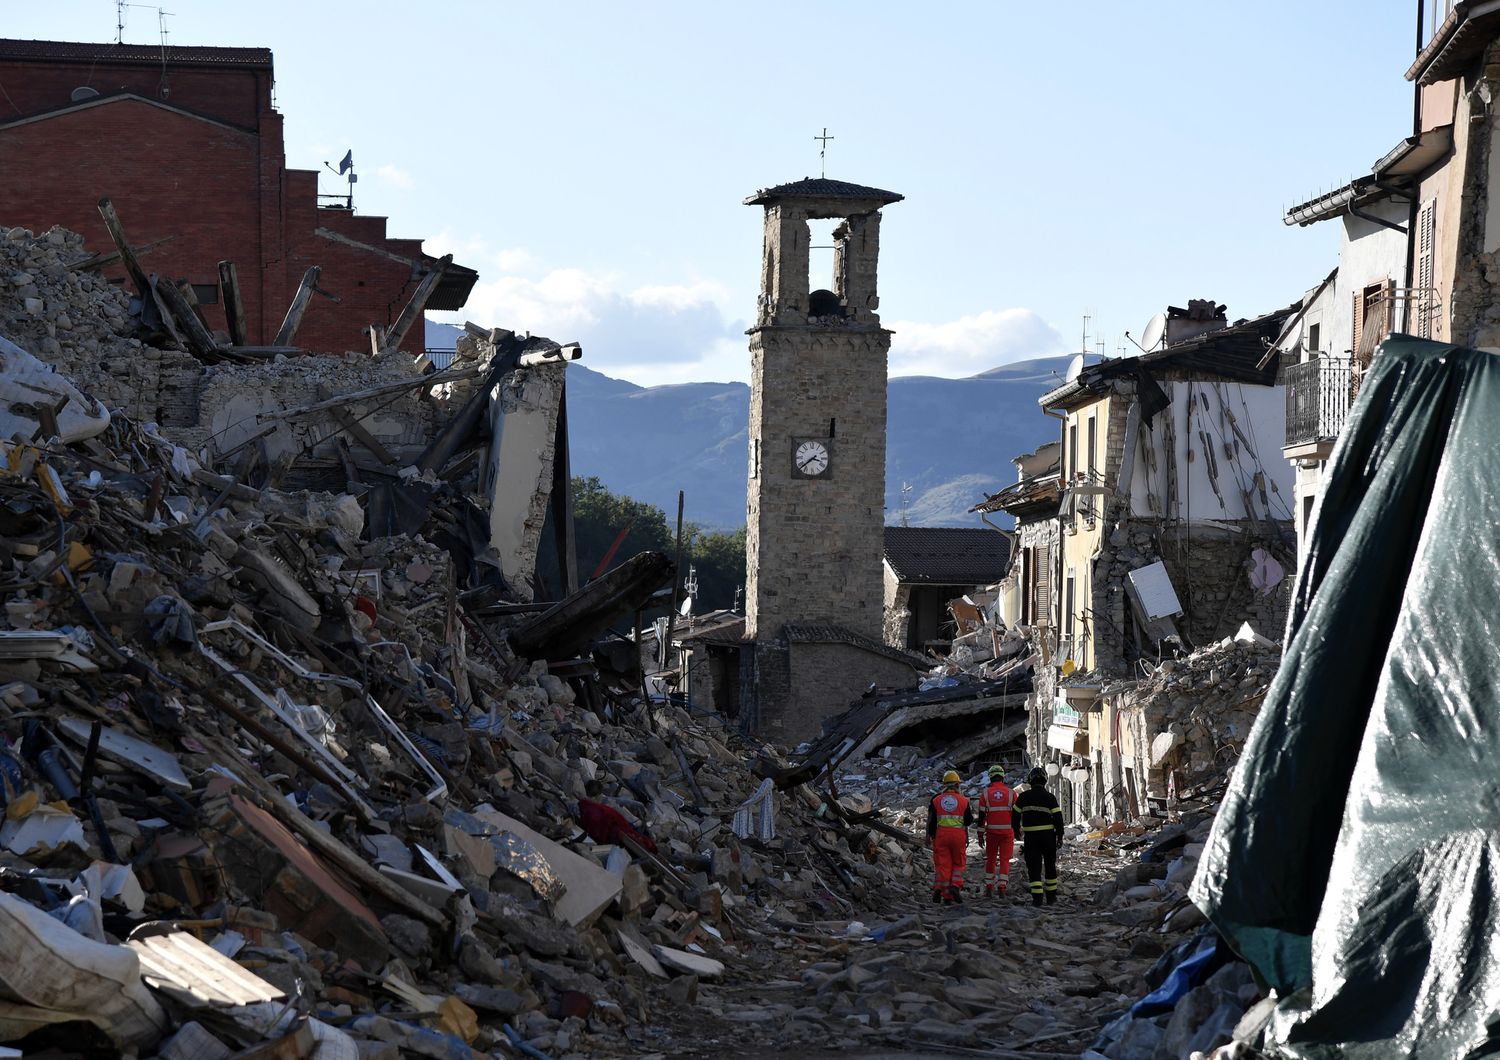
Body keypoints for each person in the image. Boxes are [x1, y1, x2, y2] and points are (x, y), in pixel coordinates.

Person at [1012, 766, 1064, 906]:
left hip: (1031, 838)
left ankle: (1037, 899)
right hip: (1048, 837)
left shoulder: (1023, 797)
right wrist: (1060, 836)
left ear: (1030, 781)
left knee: (1034, 867)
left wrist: (1016, 831)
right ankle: (1051, 897)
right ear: (1045, 780)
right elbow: (1058, 818)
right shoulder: (1050, 797)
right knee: (1050, 866)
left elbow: (1015, 815)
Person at [926, 769, 973, 903]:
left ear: (944, 785)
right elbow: (968, 821)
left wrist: (929, 836)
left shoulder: (936, 800)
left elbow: (931, 821)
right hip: (958, 835)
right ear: (958, 785)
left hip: (941, 835)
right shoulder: (963, 801)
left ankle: (945, 895)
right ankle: (955, 886)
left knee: (943, 865)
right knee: (958, 863)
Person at [976, 764, 1014, 897]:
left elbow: (981, 818)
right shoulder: (1011, 793)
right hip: (1007, 833)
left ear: (991, 778)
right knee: (1004, 860)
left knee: (991, 859)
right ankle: (1002, 886)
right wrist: (1018, 831)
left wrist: (980, 835)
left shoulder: (985, 794)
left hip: (991, 833)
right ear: (1003, 777)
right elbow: (1017, 816)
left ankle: (989, 886)